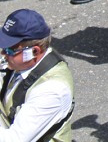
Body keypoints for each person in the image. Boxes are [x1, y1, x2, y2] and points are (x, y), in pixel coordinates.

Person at [0, 9, 74, 142]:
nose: (3, 54)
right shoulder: (21, 62)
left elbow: (13, 140)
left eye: (9, 50)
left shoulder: (52, 91)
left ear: (34, 51)